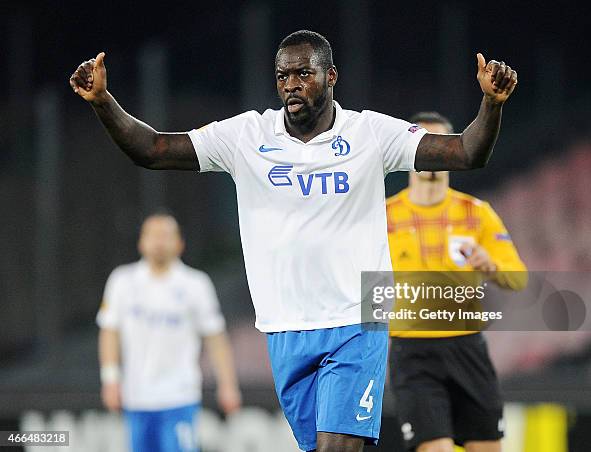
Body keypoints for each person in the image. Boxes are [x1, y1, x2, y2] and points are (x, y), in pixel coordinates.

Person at [71, 30, 518, 452]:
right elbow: (153, 149)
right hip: (284, 323)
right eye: (283, 76)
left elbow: (465, 152)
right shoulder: (246, 135)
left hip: (357, 316)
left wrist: (491, 105)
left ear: (330, 76)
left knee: (337, 446)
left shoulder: (370, 133)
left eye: (304, 73)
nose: (292, 85)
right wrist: (103, 101)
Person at [386, 112, 527, 452]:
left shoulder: (476, 212)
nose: (433, 155)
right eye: (424, 147)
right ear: (408, 154)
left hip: (467, 348)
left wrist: (491, 266)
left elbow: (517, 278)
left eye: (441, 146)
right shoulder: (382, 217)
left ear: (454, 152)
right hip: (412, 351)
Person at [97, 211, 241, 452]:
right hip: (137, 398)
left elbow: (215, 338)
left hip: (179, 397)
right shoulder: (122, 281)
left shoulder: (196, 284)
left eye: (166, 235)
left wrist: (228, 384)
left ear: (180, 243)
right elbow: (109, 331)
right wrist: (110, 379)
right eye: (153, 235)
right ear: (141, 242)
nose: (159, 241)